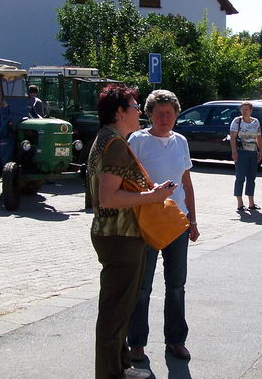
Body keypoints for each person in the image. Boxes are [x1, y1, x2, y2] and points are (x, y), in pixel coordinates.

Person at [87, 84, 176, 379]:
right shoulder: (115, 145)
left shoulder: (107, 139)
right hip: (120, 237)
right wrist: (151, 197)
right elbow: (108, 196)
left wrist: (147, 191)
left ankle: (121, 367)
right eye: (135, 106)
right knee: (115, 312)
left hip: (114, 234)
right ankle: (110, 374)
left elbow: (114, 190)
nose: (139, 111)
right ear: (119, 112)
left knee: (120, 308)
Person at [127, 90, 199, 363]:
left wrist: (192, 220)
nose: (165, 118)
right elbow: (129, 180)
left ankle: (175, 340)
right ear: (149, 115)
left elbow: (187, 183)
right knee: (142, 286)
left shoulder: (181, 141)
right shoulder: (138, 140)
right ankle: (136, 343)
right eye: (159, 113)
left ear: (177, 115)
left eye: (169, 113)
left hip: (177, 222)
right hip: (147, 222)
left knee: (176, 286)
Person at [229, 101, 262, 211]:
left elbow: (258, 137)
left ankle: (251, 202)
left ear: (251, 110)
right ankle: (239, 203)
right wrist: (234, 151)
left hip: (252, 152)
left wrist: (260, 151)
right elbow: (233, 137)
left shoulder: (255, 122)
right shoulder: (237, 121)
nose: (244, 111)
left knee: (251, 177)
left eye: (246, 109)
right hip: (241, 152)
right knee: (240, 177)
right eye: (242, 109)